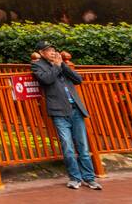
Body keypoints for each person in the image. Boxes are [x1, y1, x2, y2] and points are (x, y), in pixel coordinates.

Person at [31, 40, 102, 191]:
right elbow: (46, 79)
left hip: (76, 109)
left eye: (53, 49)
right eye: (48, 50)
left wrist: (63, 65)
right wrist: (56, 66)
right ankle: (75, 178)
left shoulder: (61, 64)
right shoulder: (37, 65)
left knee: (83, 146)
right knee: (68, 147)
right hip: (59, 111)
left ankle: (89, 178)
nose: (52, 52)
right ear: (41, 53)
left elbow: (78, 80)